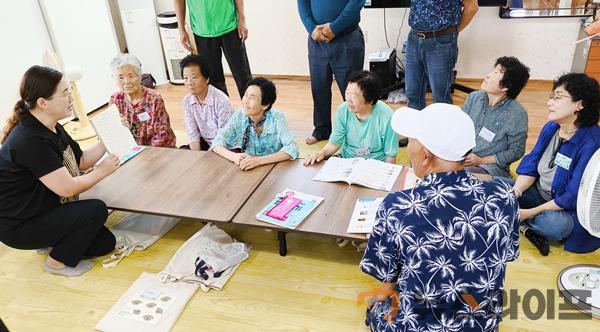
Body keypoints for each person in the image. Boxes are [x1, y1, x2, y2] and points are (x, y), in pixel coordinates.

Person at [360, 103, 520, 331]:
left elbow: (385, 273)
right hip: (479, 324)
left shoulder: (397, 206)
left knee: (375, 306)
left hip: (415, 325)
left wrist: (383, 295)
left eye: (411, 141)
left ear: (425, 155)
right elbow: (507, 254)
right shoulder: (505, 196)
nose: (408, 147)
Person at [0, 66, 120, 277]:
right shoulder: (29, 140)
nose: (71, 97)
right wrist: (103, 171)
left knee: (104, 243)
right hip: (18, 226)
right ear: (42, 102)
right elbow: (67, 188)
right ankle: (56, 262)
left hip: (41, 210)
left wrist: (109, 138)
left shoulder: (52, 125)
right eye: (65, 93)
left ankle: (50, 240)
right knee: (96, 209)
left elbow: (81, 160)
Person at [502, 73, 600, 256]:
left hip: (567, 210)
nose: (550, 103)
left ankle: (518, 220)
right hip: (540, 193)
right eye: (551, 96)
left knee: (555, 227)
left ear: (579, 104)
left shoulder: (592, 143)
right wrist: (515, 192)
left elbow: (570, 197)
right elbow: (531, 164)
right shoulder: (552, 127)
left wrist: (529, 213)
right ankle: (521, 223)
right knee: (498, 187)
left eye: (558, 97)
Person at [297, 0, 366, 145]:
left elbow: (357, 2)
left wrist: (334, 27)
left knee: (352, 91)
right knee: (319, 87)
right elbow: (302, 3)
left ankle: (356, 132)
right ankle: (322, 129)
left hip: (347, 38)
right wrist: (311, 29)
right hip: (316, 40)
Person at [304, 71, 399, 165]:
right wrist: (321, 153)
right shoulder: (343, 110)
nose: (348, 100)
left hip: (375, 164)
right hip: (347, 160)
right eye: (347, 93)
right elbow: (334, 143)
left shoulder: (387, 117)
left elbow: (390, 155)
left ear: (370, 101)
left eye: (353, 96)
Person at [463, 56, 530, 177]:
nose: (488, 75)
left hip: (490, 167)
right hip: (462, 158)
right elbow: (459, 128)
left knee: (461, 177)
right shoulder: (474, 97)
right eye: (492, 71)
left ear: (505, 86)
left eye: (496, 73)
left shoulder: (517, 114)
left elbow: (516, 151)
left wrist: (480, 160)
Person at [212, 77, 298, 170]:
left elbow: (292, 148)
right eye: (246, 95)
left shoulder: (277, 118)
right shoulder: (239, 116)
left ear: (265, 105)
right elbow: (217, 142)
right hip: (249, 167)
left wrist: (258, 161)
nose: (245, 101)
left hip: (274, 168)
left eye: (252, 98)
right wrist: (234, 157)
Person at [405, 0, 478, 110]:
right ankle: (417, 126)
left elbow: (472, 7)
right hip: (414, 38)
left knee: (441, 97)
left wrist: (454, 31)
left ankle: (443, 126)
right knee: (412, 93)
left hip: (441, 41)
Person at [174, 0, 252, 99]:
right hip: (202, 31)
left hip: (230, 26)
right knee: (214, 83)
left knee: (243, 77)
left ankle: (254, 112)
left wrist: (242, 18)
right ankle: (222, 113)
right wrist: (181, 29)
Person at [109, 53, 176, 148]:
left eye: (130, 76)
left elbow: (162, 135)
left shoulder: (154, 99)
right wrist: (120, 129)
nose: (126, 81)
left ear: (139, 76)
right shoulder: (115, 100)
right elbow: (109, 134)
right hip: (130, 150)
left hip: (158, 151)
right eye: (120, 77)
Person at [180, 54, 235, 151]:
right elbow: (192, 134)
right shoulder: (187, 101)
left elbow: (223, 138)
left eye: (194, 77)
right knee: (183, 152)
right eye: (185, 78)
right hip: (206, 143)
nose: (189, 83)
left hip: (227, 145)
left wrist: (206, 158)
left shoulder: (221, 100)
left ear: (207, 78)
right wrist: (197, 157)